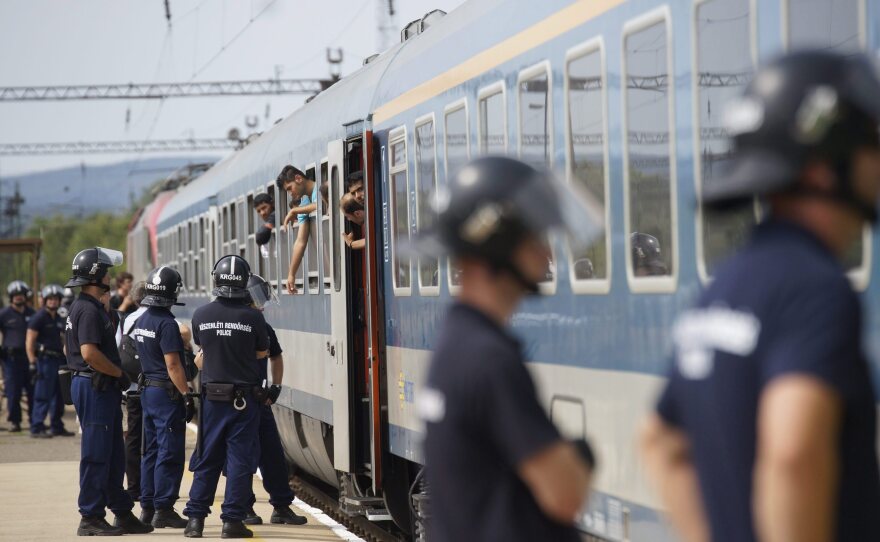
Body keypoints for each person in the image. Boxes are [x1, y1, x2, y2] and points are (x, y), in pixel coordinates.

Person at [641, 50, 880, 542]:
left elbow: (660, 442)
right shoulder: (816, 290)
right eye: (869, 145)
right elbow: (792, 454)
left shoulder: (723, 288)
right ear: (822, 166)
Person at [418, 157, 600, 541]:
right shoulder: (489, 360)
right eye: (537, 239)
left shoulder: (457, 344)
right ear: (497, 242)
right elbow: (565, 494)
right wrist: (581, 456)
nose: (548, 256)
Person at [64, 247, 153, 536]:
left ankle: (121, 511)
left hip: (96, 385)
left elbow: (71, 348)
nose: (109, 276)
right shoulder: (87, 309)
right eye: (106, 271)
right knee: (96, 453)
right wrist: (119, 374)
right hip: (95, 386)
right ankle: (90, 515)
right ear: (96, 276)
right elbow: (89, 353)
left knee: (113, 452)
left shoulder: (87, 307)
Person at [183, 255, 269, 539]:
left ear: (216, 279)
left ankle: (195, 521)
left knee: (207, 458)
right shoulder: (254, 317)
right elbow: (260, 354)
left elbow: (202, 349)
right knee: (240, 461)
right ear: (244, 281)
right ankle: (232, 522)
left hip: (212, 399)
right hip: (244, 402)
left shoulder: (201, 315)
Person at [239, 274, 307, 526]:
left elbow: (276, 356)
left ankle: (281, 506)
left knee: (273, 455)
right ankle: (244, 507)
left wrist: (275, 387)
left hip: (259, 398)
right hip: (238, 402)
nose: (262, 305)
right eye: (257, 299)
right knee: (241, 456)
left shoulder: (263, 326)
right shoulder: (233, 325)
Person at [134, 266, 192, 529]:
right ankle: (164, 508)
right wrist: (186, 393)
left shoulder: (143, 320)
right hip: (165, 393)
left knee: (151, 451)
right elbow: (173, 366)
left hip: (147, 390)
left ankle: (147, 506)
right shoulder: (167, 324)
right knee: (169, 451)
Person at [26, 284, 73, 438]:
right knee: (42, 394)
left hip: (58, 359)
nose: (53, 302)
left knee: (59, 395)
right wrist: (32, 361)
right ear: (44, 300)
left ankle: (56, 425)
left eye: (55, 299)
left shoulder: (59, 317)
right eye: (50, 299)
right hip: (45, 361)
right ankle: (37, 426)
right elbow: (30, 341)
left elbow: (62, 338)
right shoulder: (38, 317)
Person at [118, 281, 148, 504]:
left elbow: (119, 349)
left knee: (133, 437)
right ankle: (152, 486)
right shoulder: (166, 320)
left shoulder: (127, 320)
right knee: (156, 438)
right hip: (157, 388)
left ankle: (134, 486)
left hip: (132, 388)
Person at [0, 280, 35, 432]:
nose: (18, 298)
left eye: (21, 295)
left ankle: (35, 420)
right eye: (15, 295)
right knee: (13, 392)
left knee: (33, 390)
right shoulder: (4, 314)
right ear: (11, 297)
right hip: (10, 359)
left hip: (30, 359)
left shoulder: (32, 314)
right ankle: (15, 421)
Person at [277, 166, 318, 294]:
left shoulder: (320, 189)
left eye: (290, 188)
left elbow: (322, 204)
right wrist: (291, 274)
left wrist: (294, 210)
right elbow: (300, 241)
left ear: (298, 178)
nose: (290, 194)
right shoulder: (305, 201)